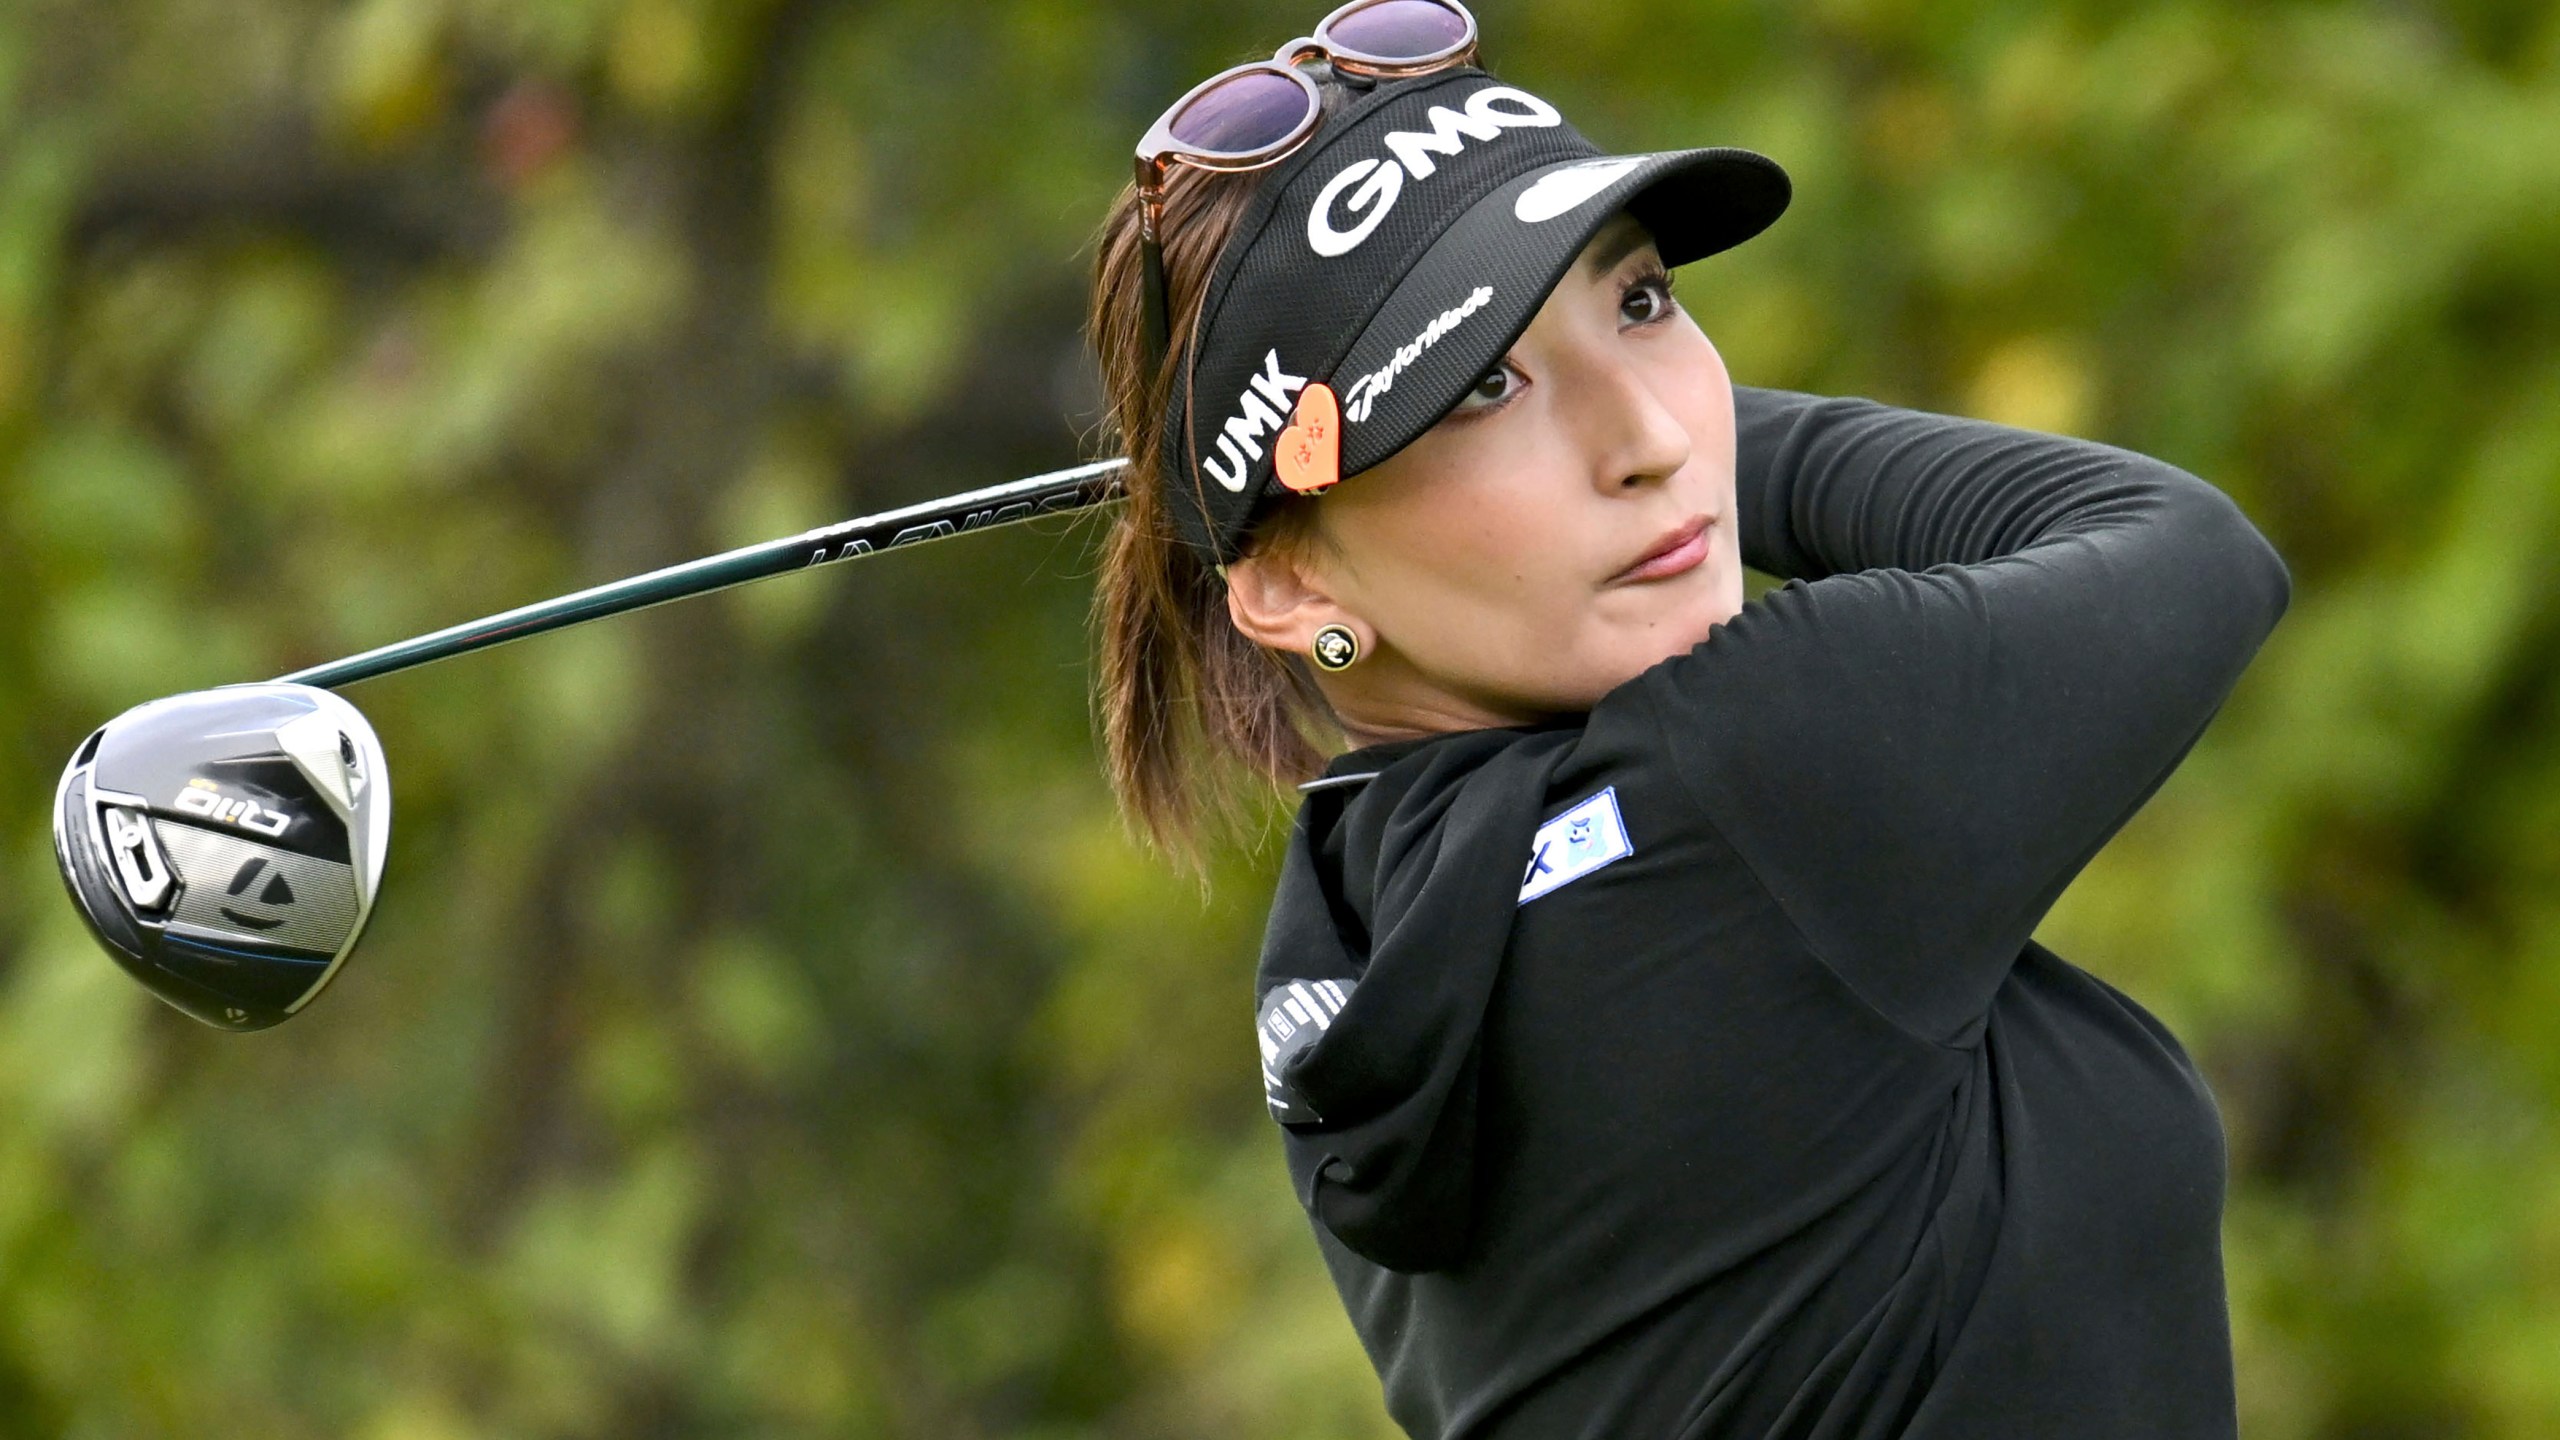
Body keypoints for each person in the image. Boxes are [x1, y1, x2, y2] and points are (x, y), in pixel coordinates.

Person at [1082, 3, 2293, 1436]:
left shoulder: (1355, 935)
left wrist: (1625, 434)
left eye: (1642, 302)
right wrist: (1709, 460)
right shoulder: (1758, 778)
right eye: (1482, 388)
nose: (1647, 434)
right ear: (1286, 583)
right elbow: (2185, 551)